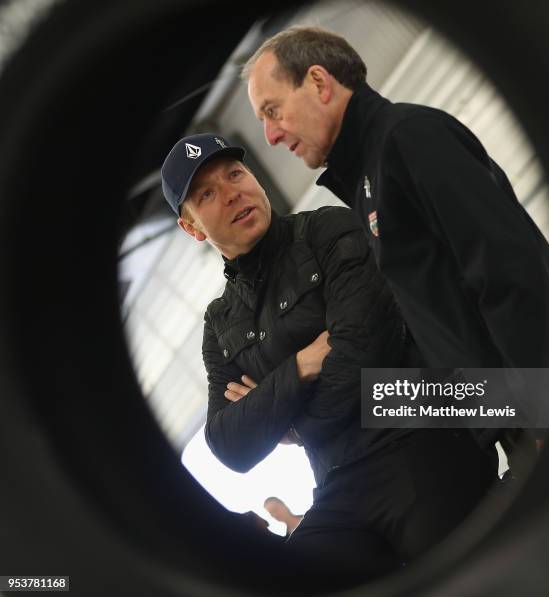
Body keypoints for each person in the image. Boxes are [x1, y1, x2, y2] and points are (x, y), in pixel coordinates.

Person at [160, 132, 496, 585]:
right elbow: (228, 445)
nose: (232, 192)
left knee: (467, 579)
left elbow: (361, 353)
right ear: (193, 227)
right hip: (337, 482)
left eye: (235, 174)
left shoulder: (327, 230)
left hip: (418, 438)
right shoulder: (219, 323)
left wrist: (287, 421)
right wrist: (299, 368)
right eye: (207, 193)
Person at [242, 26, 549, 372]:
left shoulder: (407, 139)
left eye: (273, 111)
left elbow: (510, 273)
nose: (270, 136)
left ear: (319, 84)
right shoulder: (368, 176)